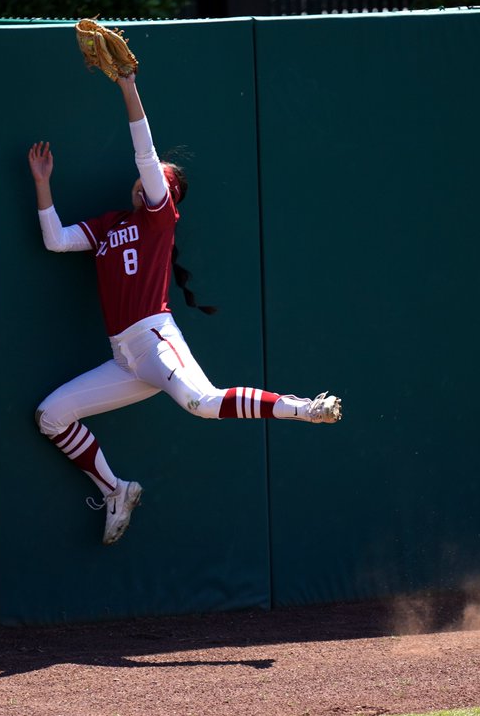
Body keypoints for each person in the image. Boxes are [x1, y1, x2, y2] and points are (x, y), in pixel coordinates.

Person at [27, 71, 342, 546]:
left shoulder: (158, 219)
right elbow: (55, 240)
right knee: (50, 415)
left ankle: (303, 408)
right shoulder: (111, 225)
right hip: (124, 358)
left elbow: (146, 155)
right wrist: (42, 184)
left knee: (204, 403)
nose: (150, 176)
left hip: (154, 340)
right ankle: (116, 490)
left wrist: (128, 88)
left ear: (167, 196)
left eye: (160, 178)